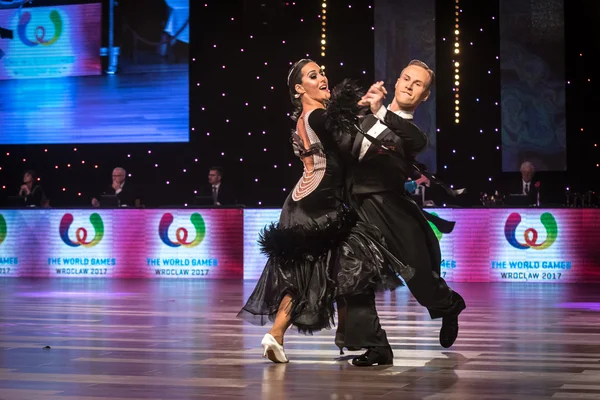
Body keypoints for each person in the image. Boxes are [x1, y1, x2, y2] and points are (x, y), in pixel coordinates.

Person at [237, 59, 409, 364]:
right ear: (299, 89)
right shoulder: (316, 115)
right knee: (350, 263)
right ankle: (360, 337)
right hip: (320, 203)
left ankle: (276, 333)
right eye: (313, 76)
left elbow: (343, 123)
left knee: (307, 274)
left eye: (322, 72)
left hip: (304, 199)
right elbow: (347, 130)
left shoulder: (308, 117)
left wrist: (366, 105)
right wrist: (371, 107)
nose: (323, 78)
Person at [345, 60, 466, 366]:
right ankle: (376, 346)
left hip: (392, 210)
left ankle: (449, 305)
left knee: (419, 278)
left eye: (418, 84)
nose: (410, 86)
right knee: (352, 276)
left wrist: (379, 110)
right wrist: (357, 108)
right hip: (357, 208)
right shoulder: (366, 118)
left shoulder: (412, 133)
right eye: (406, 79)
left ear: (424, 96)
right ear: (397, 82)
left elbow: (411, 139)